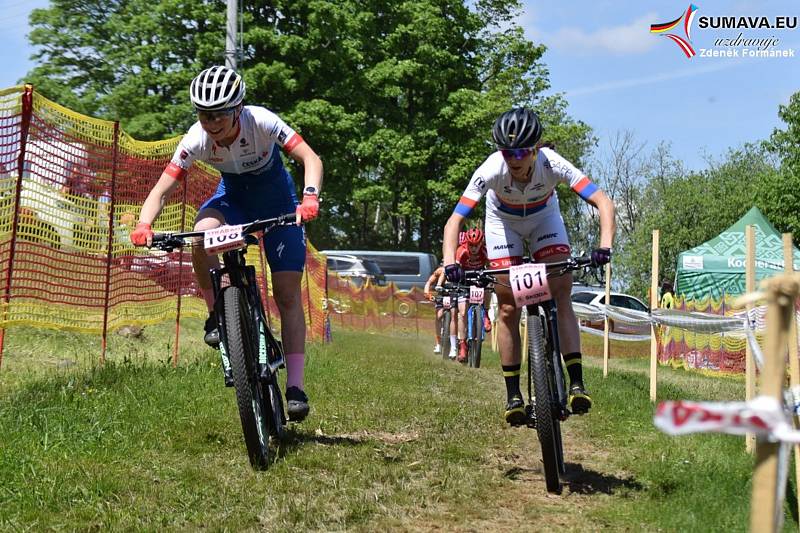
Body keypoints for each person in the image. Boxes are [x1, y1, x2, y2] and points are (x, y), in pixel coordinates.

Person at [130, 66, 323, 422]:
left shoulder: (261, 121)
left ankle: (295, 385)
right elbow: (162, 188)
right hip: (233, 199)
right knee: (200, 235)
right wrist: (145, 224)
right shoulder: (195, 139)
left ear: (238, 109)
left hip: (278, 203)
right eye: (205, 114)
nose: (212, 122)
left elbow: (311, 158)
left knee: (286, 293)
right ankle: (216, 314)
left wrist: (310, 198)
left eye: (219, 113)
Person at [441, 108, 615, 424]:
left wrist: (605, 246)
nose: (514, 158)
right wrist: (450, 262)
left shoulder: (552, 163)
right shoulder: (491, 169)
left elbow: (603, 202)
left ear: (535, 149)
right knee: (508, 307)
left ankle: (576, 382)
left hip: (543, 219)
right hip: (502, 223)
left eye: (522, 151)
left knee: (562, 290)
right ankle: (513, 396)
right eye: (508, 152)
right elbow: (455, 221)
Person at [454, 226, 493, 363]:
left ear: (481, 244)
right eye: (471, 245)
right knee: (463, 312)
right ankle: (463, 345)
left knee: (489, 286)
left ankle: (486, 314)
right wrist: (454, 277)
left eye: (476, 245)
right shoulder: (461, 251)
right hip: (465, 280)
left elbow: (491, 266)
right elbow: (455, 268)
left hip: (479, 279)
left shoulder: (485, 251)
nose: (474, 248)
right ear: (467, 243)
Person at [423, 263, 447, 354]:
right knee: (439, 316)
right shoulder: (440, 271)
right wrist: (427, 293)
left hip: (455, 295)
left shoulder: (458, 270)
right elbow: (429, 282)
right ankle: (438, 343)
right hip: (442, 296)